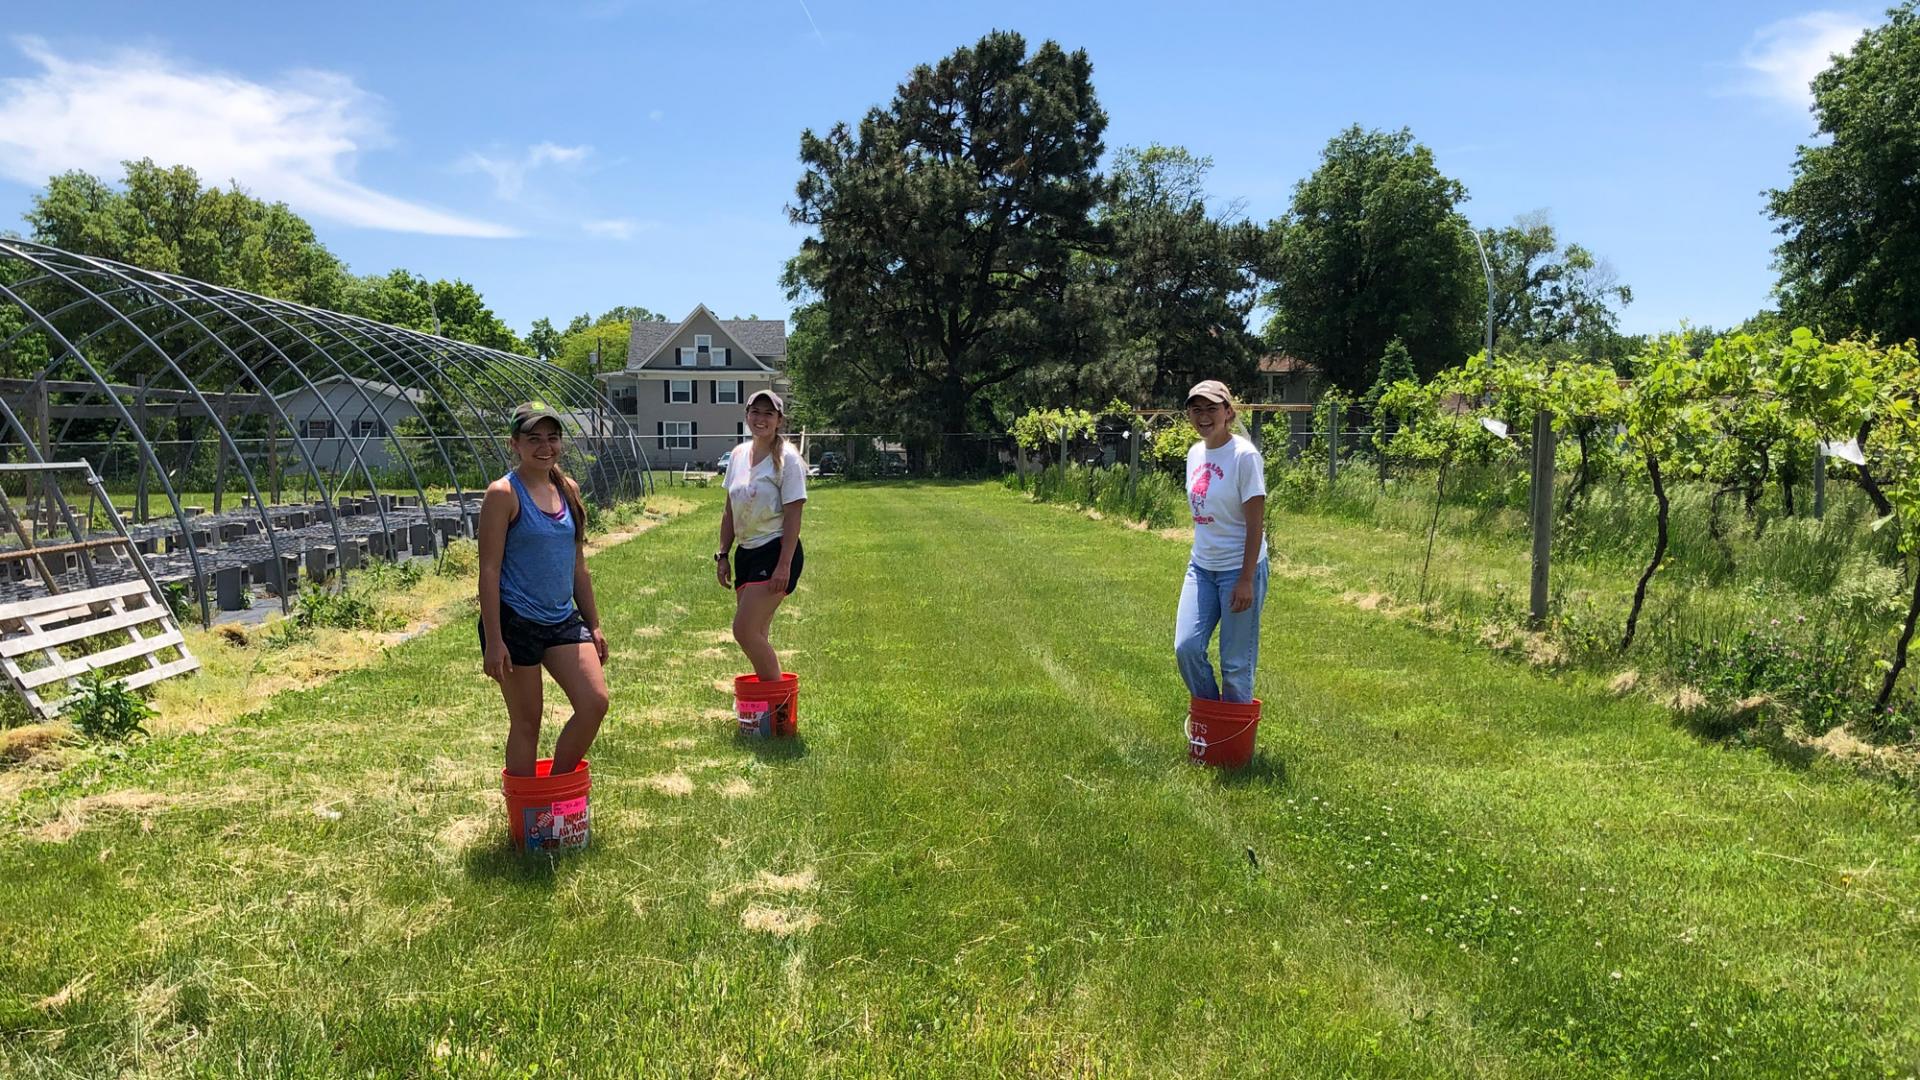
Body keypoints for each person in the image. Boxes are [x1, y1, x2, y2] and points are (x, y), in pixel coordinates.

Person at [477, 403, 609, 777]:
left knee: (594, 702)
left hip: (561, 618)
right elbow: (489, 570)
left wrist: (593, 623)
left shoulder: (567, 489)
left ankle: (554, 790)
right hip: (515, 622)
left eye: (552, 438)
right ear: (514, 444)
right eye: (533, 439)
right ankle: (525, 816)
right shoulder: (503, 494)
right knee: (527, 722)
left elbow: (577, 566)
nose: (544, 446)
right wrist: (494, 640)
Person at [1174, 380, 1269, 703]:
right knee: (1186, 647)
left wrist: (1245, 580)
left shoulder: (1244, 456)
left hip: (1239, 570)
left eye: (1211, 409)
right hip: (1201, 567)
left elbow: (1256, 524)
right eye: (1196, 409)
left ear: (1228, 412)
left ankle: (1233, 748)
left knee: (1235, 664)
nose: (1203, 416)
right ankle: (1213, 717)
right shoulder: (1194, 453)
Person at [715, 389, 807, 681]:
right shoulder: (739, 455)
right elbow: (730, 509)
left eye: (769, 413)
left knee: (744, 630)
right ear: (747, 416)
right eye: (756, 412)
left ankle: (777, 698)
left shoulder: (787, 459)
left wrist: (784, 564)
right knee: (758, 632)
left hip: (775, 549)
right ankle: (767, 714)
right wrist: (723, 554)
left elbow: (794, 515)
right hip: (746, 553)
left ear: (779, 420)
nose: (761, 419)